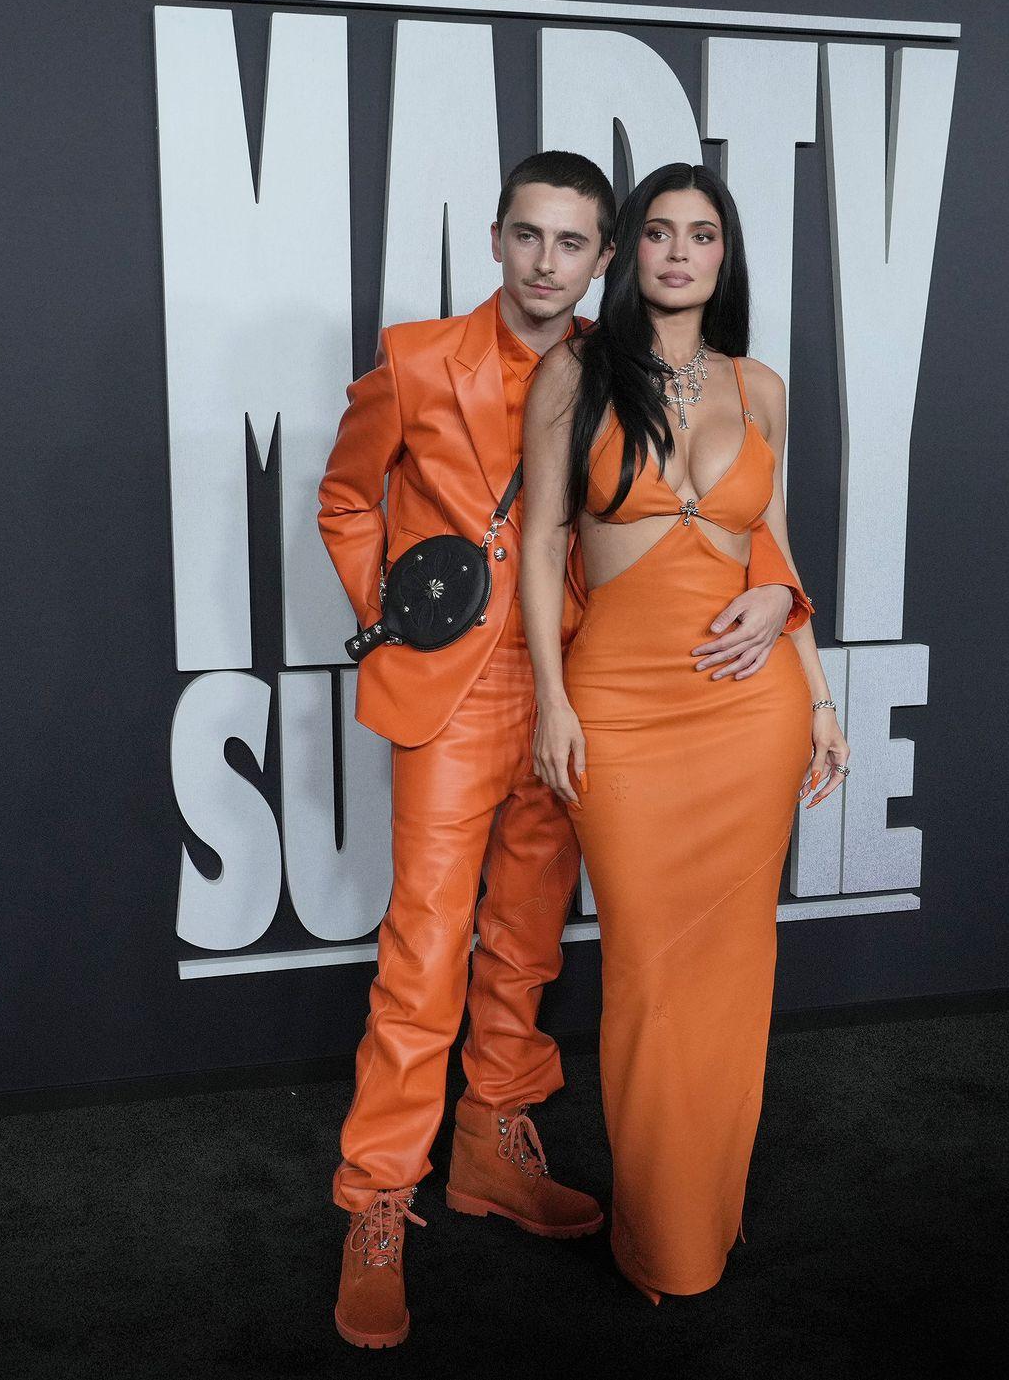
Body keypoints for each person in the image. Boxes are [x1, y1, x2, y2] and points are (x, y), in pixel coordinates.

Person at [314, 150, 805, 1348]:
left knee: (527, 939)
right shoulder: (417, 356)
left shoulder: (618, 361)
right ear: (495, 238)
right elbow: (344, 496)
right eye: (527, 235)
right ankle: (378, 1199)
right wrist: (401, 610)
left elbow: (732, 514)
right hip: (453, 694)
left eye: (572, 242)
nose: (546, 261)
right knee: (426, 945)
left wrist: (782, 601)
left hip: (580, 685)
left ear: (602, 259)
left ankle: (492, 1142)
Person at [517, 160, 852, 1304]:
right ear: (628, 253)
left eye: (702, 235)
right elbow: (543, 541)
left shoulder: (760, 385)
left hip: (750, 713)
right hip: (620, 706)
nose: (678, 252)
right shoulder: (574, 372)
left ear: (725, 256)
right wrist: (553, 700)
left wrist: (816, 685)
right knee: (652, 977)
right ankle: (661, 1235)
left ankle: (706, 1213)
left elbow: (776, 542)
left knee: (734, 972)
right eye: (658, 231)